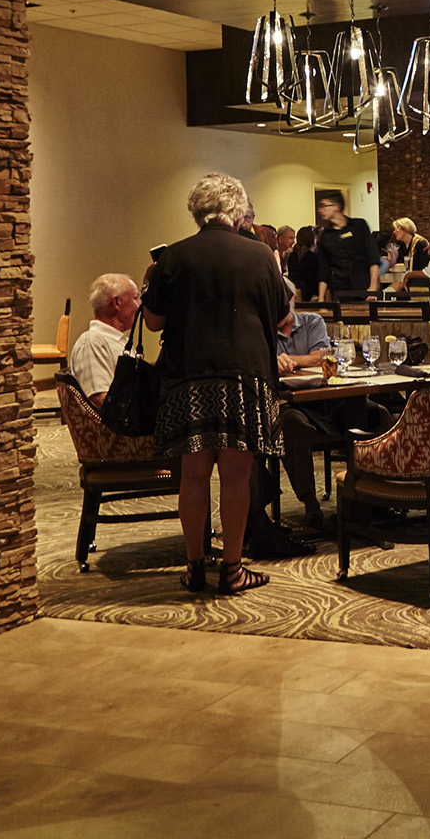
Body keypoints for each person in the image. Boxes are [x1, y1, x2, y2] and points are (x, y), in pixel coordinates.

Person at [143, 173, 294, 597]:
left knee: (192, 475)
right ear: (237, 210)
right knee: (235, 475)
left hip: (187, 374)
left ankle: (194, 567)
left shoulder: (173, 257)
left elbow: (154, 321)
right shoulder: (261, 255)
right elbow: (284, 320)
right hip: (244, 374)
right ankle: (231, 569)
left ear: (197, 211)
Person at [274, 289, 392, 530]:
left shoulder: (311, 321)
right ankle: (310, 503)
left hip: (331, 399)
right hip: (292, 403)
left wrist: (292, 360)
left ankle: (379, 496)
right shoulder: (262, 331)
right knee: (291, 425)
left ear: (292, 300)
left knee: (377, 414)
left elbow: (323, 356)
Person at [67, 273, 138, 405]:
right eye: (135, 298)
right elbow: (99, 400)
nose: (139, 306)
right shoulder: (93, 343)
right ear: (117, 302)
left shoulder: (117, 340)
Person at [314, 192, 378, 300]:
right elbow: (323, 269)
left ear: (337, 207)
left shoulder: (359, 226)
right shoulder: (325, 235)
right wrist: (321, 298)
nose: (320, 210)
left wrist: (373, 287)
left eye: (324, 206)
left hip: (363, 285)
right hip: (339, 288)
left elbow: (373, 258)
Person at [387, 216, 430, 280]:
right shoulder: (401, 246)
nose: (394, 232)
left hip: (419, 279)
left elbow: (424, 266)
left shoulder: (420, 243)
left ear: (405, 229)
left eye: (396, 229)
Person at [285, 225, 320, 302]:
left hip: (294, 295)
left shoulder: (292, 256)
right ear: (313, 240)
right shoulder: (315, 258)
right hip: (311, 297)